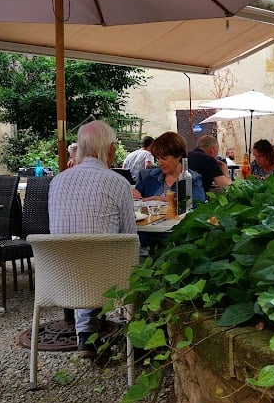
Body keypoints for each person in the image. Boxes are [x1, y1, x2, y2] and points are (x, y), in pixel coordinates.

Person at [48, 120, 137, 357]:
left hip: (61, 277)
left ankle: (86, 336)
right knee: (141, 257)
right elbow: (130, 238)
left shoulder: (57, 182)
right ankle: (141, 339)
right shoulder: (118, 183)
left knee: (87, 254)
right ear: (109, 150)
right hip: (107, 280)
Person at [133, 132, 205, 205]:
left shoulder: (193, 179)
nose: (160, 163)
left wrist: (160, 200)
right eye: (158, 158)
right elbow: (136, 193)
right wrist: (133, 194)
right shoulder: (152, 175)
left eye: (164, 158)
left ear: (179, 155)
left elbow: (198, 206)